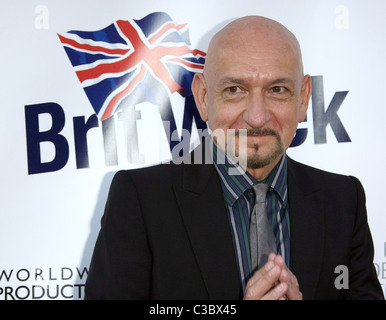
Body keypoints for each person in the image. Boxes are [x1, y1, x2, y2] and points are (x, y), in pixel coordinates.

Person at [84, 16, 384, 300]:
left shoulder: (344, 201)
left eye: (277, 89)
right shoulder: (140, 200)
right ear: (203, 97)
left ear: (304, 98)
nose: (256, 117)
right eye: (235, 90)